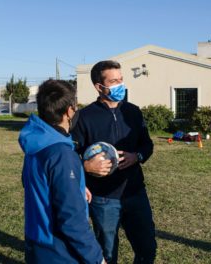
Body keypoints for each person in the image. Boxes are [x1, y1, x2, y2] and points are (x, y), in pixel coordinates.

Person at [71, 60, 156, 264]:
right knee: (107, 254)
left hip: (135, 193)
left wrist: (138, 156)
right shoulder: (83, 117)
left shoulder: (133, 112)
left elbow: (147, 144)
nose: (120, 85)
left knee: (147, 248)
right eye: (114, 81)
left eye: (121, 79)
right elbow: (70, 155)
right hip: (103, 198)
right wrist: (85, 165)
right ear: (99, 87)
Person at [18, 79, 105, 264]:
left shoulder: (37, 142)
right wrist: (97, 259)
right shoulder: (62, 154)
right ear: (69, 111)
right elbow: (72, 220)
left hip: (36, 241)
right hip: (59, 251)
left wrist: (76, 186)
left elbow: (35, 182)